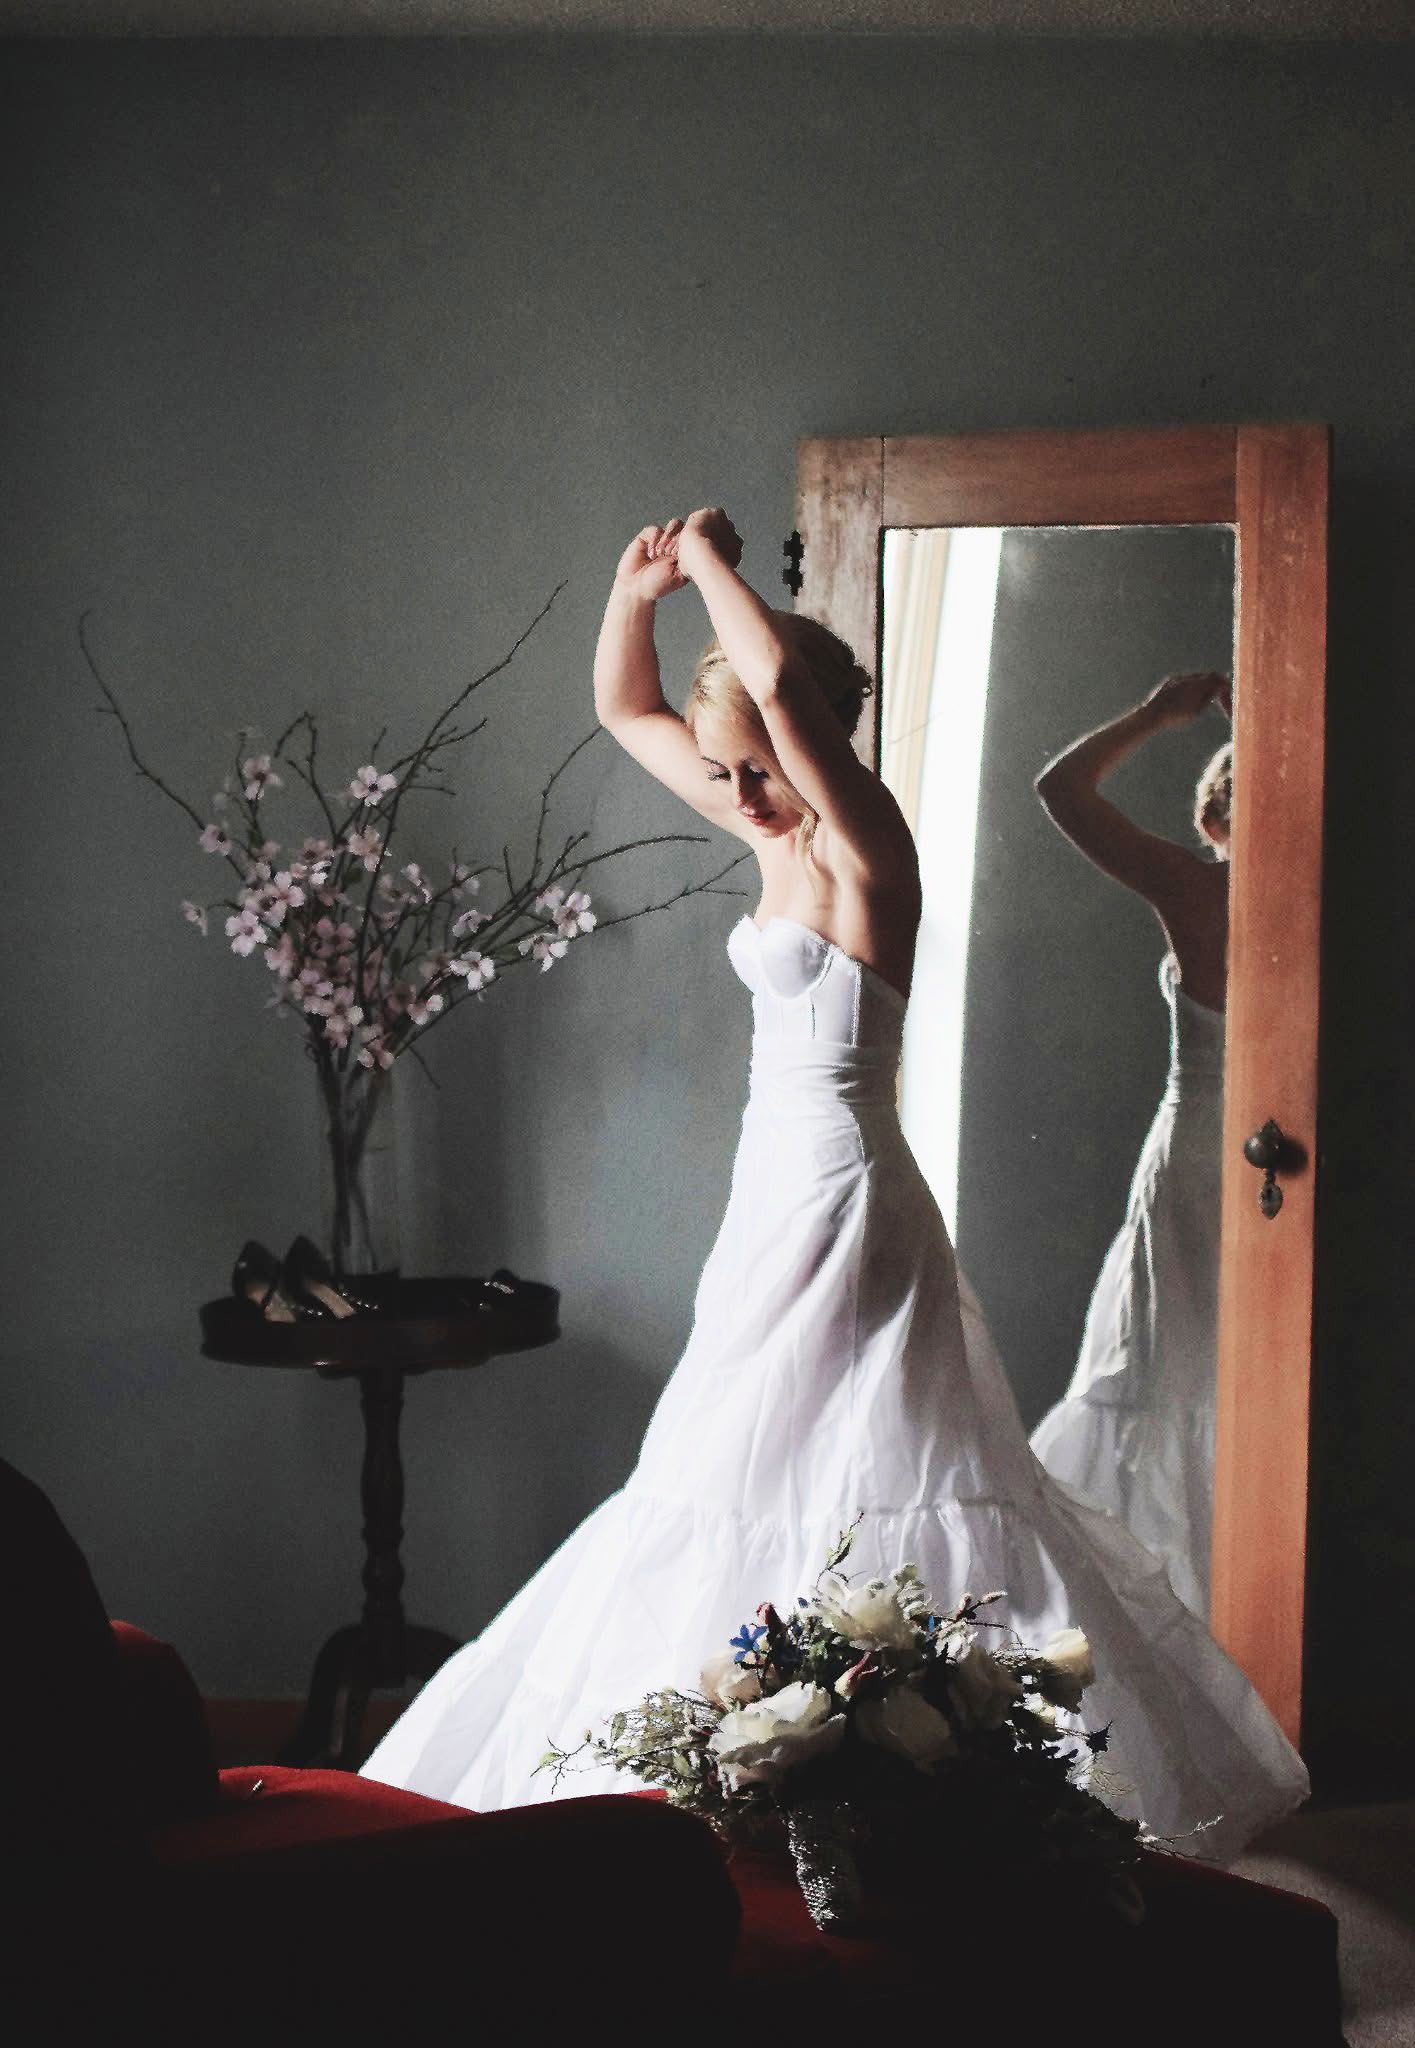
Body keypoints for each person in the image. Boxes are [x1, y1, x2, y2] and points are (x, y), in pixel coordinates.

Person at [361, 521, 1303, 1858]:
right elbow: (620, 703)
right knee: (725, 1470)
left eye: (760, 768)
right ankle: (762, 1767)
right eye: (727, 771)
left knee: (850, 1474)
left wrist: (708, 569)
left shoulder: (864, 848)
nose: (740, 795)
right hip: (768, 1196)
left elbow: (792, 713)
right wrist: (637, 590)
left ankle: (900, 1768)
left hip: (852, 1201)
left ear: (815, 748)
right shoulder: (765, 824)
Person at [1029, 676, 1232, 1615]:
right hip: (1283, 1162)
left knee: (1165, 1380)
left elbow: (1061, 789)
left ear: (1214, 819)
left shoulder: (1196, 886)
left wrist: (1152, 715)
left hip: (1198, 1160)